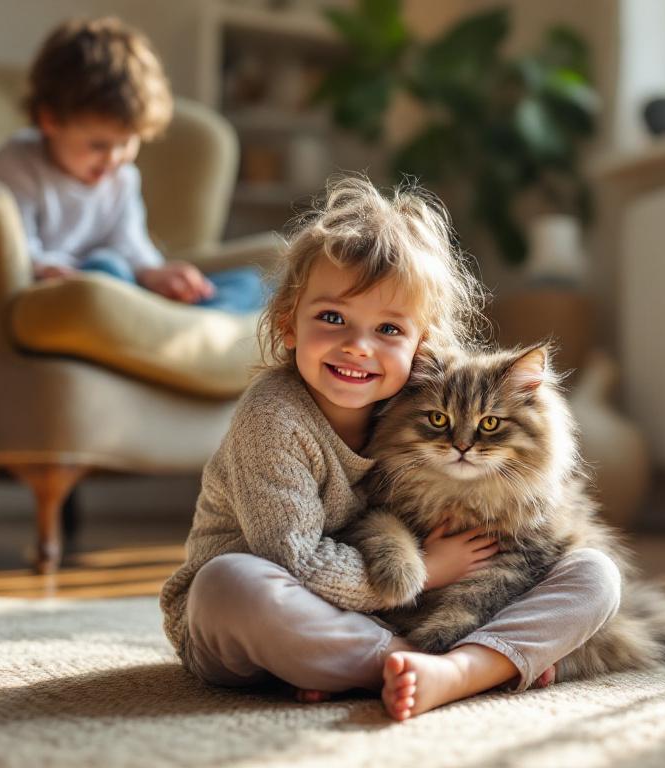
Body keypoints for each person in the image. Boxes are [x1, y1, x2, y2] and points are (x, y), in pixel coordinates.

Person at [158, 177, 622, 721]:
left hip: (362, 620)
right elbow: (296, 561)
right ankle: (461, 667)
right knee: (229, 583)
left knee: (596, 577)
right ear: (288, 324)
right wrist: (431, 569)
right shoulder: (273, 419)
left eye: (387, 328)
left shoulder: (412, 400)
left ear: (420, 345)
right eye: (333, 318)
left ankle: (373, 670)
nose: (358, 346)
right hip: (252, 620)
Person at [0, 17, 263, 313]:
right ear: (50, 120)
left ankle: (187, 322)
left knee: (253, 284)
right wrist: (51, 270)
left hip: (122, 292)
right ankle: (164, 323)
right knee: (107, 265)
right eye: (98, 145)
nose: (114, 159)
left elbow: (131, 244)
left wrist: (158, 274)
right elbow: (13, 250)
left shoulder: (123, 178)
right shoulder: (18, 165)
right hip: (67, 296)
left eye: (127, 143)